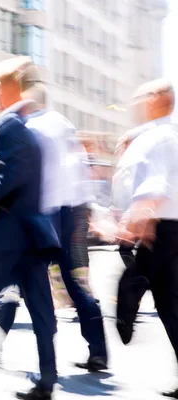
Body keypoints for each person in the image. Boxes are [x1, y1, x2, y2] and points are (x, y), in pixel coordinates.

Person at [0, 56, 60, 400]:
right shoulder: (24, 124)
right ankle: (47, 379)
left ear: (3, 89)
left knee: (3, 295)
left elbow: (15, 173)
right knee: (39, 307)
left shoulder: (9, 124)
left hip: (17, 233)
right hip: (30, 231)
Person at [22, 84, 108, 371]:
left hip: (48, 212)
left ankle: (40, 354)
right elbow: (79, 173)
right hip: (70, 211)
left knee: (31, 278)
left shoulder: (33, 126)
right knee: (72, 280)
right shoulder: (63, 124)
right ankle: (98, 351)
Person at [108, 79, 178, 398]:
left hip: (162, 226)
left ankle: (127, 310)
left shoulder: (159, 137)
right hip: (166, 225)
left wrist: (140, 222)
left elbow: (157, 185)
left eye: (139, 96)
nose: (133, 102)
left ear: (154, 99)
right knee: (169, 306)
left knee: (133, 281)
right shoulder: (161, 135)